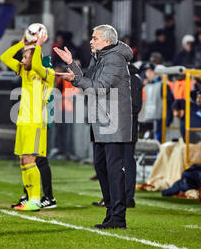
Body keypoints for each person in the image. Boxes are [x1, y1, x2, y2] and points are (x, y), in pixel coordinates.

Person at [54, 24, 133, 229]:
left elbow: (98, 87)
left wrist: (77, 78)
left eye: (95, 38)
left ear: (107, 41)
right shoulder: (102, 57)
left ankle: (118, 217)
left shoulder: (114, 59)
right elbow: (88, 81)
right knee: (101, 167)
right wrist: (72, 64)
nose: (91, 41)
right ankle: (111, 213)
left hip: (112, 123)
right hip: (102, 122)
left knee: (114, 170)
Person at [0, 31, 55, 212]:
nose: (22, 60)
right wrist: (22, 44)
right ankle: (29, 199)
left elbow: (37, 65)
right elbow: (5, 57)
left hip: (36, 122)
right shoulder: (25, 71)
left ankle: (35, 200)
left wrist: (37, 46)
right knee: (24, 161)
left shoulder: (47, 73)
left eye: (25, 57)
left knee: (31, 159)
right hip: (23, 122)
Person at [92, 62, 143, 209]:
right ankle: (113, 198)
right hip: (113, 129)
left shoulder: (133, 80)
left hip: (125, 129)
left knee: (125, 163)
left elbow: (134, 107)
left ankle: (127, 198)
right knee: (108, 164)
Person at [11, 56, 57, 209]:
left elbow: (48, 104)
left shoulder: (45, 77)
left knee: (39, 161)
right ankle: (29, 195)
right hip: (31, 122)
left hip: (39, 123)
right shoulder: (35, 79)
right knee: (28, 160)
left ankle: (48, 197)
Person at [142, 62, 174, 142]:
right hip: (148, 120)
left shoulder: (163, 85)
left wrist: (167, 120)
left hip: (159, 120)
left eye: (150, 71)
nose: (148, 74)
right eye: (147, 71)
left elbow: (169, 104)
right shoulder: (146, 86)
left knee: (158, 143)